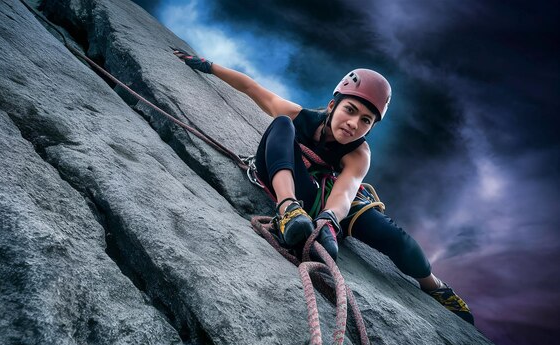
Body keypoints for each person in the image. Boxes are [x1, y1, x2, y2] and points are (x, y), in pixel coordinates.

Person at [173, 48, 474, 325]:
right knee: (281, 125)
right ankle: (287, 209)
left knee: (396, 239)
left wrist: (329, 221)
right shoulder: (299, 117)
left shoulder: (359, 154)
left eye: (366, 120)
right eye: (350, 110)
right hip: (288, 181)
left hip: (324, 199)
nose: (354, 124)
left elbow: (346, 190)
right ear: (333, 105)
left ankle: (435, 286)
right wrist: (209, 66)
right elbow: (252, 88)